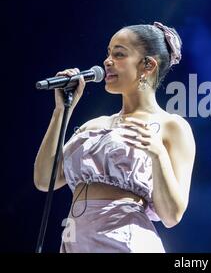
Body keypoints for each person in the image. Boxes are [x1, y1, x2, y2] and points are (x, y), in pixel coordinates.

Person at [33, 22, 196, 253]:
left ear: (148, 65)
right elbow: (43, 180)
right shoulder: (94, 125)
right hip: (74, 243)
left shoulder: (171, 126)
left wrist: (158, 153)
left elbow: (172, 216)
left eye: (119, 54)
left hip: (125, 242)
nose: (107, 61)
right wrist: (61, 111)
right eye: (108, 53)